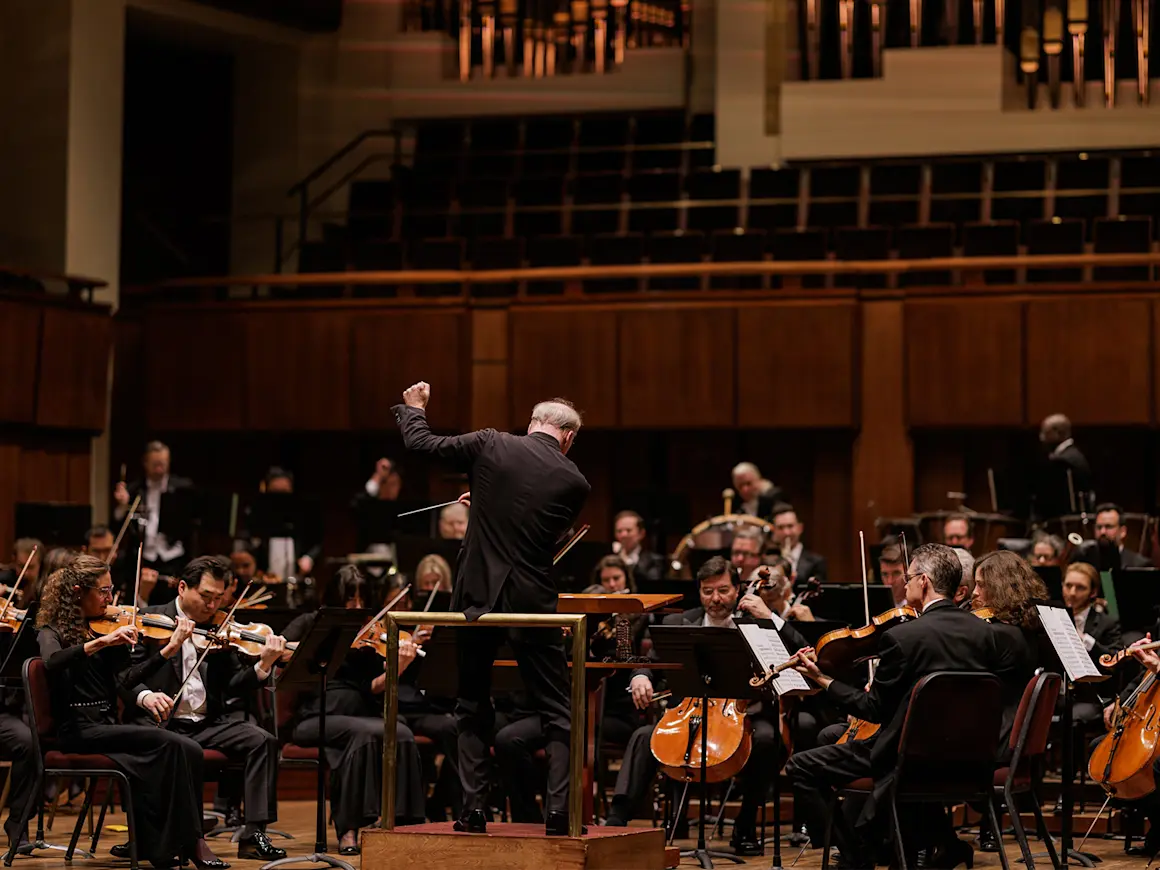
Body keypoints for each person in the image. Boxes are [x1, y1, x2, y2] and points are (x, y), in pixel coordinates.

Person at [393, 381, 590, 836]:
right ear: (568, 437)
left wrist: (415, 407)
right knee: (557, 709)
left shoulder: (491, 443)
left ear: (532, 424)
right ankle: (559, 815)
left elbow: (420, 444)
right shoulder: (576, 482)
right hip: (531, 601)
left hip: (477, 597)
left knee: (472, 702)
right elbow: (543, 536)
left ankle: (474, 811)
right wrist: (486, 503)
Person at [787, 544, 1022, 869]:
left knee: (800, 766)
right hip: (968, 761)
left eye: (908, 577)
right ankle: (930, 844)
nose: (904, 583)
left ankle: (855, 855)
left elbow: (873, 708)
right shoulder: (986, 633)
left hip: (908, 761)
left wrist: (823, 680)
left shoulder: (903, 637)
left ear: (924, 581)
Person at [603, 556, 806, 855]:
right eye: (707, 591)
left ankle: (746, 824)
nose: (715, 599)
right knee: (643, 736)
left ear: (738, 590)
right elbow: (649, 662)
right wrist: (641, 676)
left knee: (766, 739)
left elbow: (801, 648)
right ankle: (615, 823)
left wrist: (770, 617)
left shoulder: (756, 623)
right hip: (688, 714)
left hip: (743, 716)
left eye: (723, 590)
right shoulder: (678, 622)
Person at [32, 555, 223, 869]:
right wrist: (101, 643)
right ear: (78, 592)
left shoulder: (108, 627)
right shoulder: (51, 630)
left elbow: (127, 680)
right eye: (103, 591)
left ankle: (162, 845)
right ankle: (192, 842)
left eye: (111, 590)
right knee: (172, 743)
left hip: (106, 726)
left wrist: (168, 650)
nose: (111, 598)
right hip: (77, 730)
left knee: (187, 749)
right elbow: (52, 662)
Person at [125, 556, 287, 861]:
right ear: (183, 588)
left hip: (205, 722)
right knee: (186, 750)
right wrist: (145, 696)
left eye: (218, 598)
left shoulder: (219, 628)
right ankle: (187, 838)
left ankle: (253, 835)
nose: (212, 606)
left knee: (263, 740)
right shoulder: (149, 620)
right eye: (206, 596)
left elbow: (232, 685)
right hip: (160, 723)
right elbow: (126, 676)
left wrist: (264, 665)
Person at [283, 579, 427, 853]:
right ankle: (349, 828)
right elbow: (281, 651)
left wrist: (399, 666)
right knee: (368, 733)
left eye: (362, 600)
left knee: (401, 731)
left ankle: (399, 823)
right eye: (350, 599)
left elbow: (371, 687)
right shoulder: (311, 623)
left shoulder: (369, 634)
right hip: (317, 715)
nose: (357, 606)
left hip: (358, 714)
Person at [113, 442, 192, 597]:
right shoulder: (134, 489)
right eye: (155, 464)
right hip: (142, 559)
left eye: (163, 464)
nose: (159, 469)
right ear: (145, 463)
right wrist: (122, 506)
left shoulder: (183, 489)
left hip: (173, 557)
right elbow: (118, 524)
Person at [1034, 413, 1093, 521]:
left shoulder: (1062, 461)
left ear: (1058, 433)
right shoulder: (1075, 454)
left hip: (1066, 520)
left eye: (1045, 433)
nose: (1041, 438)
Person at [1076, 503, 1153, 570]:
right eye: (1099, 527)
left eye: (1109, 527)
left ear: (1122, 531)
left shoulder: (1139, 564)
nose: (1103, 532)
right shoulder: (1084, 562)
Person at [772, 504, 828, 582]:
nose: (786, 533)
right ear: (774, 530)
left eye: (790, 526)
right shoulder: (767, 560)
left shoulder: (816, 563)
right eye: (780, 527)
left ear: (800, 528)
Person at [611, 511, 665, 585]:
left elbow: (652, 585)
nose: (623, 535)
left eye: (628, 530)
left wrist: (627, 562)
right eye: (619, 531)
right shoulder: (609, 559)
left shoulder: (654, 561)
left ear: (641, 534)